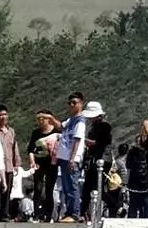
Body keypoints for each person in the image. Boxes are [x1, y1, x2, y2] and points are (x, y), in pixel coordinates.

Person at [55, 92, 87, 220]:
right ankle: (69, 212)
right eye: (70, 103)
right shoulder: (70, 120)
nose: (72, 105)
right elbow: (60, 127)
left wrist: (72, 158)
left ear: (80, 104)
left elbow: (77, 140)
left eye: (75, 102)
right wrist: (50, 118)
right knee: (66, 186)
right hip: (63, 157)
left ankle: (74, 213)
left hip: (71, 158)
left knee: (72, 186)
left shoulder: (80, 121)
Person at [82, 101, 113, 220]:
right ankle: (84, 212)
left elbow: (100, 143)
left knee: (96, 186)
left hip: (102, 159)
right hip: (94, 159)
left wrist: (85, 140)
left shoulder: (105, 126)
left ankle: (114, 205)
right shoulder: (94, 127)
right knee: (89, 187)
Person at [27, 110, 61, 216]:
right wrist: (32, 162)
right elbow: (31, 150)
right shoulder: (36, 133)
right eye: (38, 119)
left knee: (49, 190)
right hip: (39, 163)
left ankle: (49, 215)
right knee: (38, 188)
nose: (41, 121)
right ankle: (36, 214)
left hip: (52, 164)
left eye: (43, 118)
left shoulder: (56, 131)